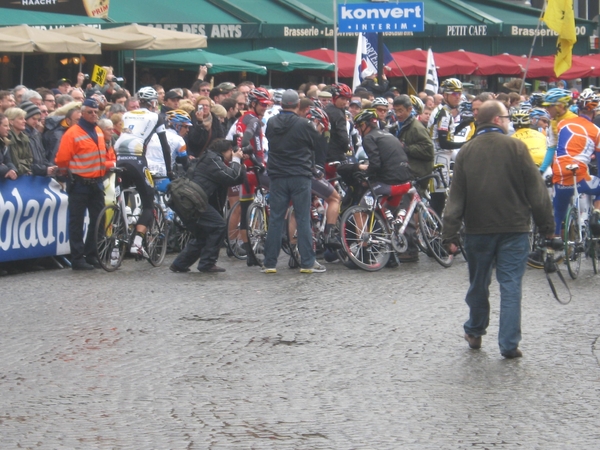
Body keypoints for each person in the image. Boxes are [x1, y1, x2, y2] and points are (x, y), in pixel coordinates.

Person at [442, 100, 555, 359]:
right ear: (496, 120)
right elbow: (537, 191)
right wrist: (548, 228)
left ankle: (475, 330)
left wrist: (449, 234)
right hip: (515, 228)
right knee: (511, 285)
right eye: (506, 117)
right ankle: (509, 344)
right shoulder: (517, 147)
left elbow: (455, 198)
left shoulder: (466, 151)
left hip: (477, 230)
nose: (509, 121)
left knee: (479, 284)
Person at [261, 90, 326, 274]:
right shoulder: (304, 124)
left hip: (278, 176)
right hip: (299, 175)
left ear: (282, 104)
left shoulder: (272, 123)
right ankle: (307, 262)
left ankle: (270, 263)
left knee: (275, 219)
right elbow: (315, 144)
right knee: (303, 218)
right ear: (297, 105)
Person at [55, 98, 115, 270]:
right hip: (80, 183)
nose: (94, 114)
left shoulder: (98, 131)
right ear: (82, 113)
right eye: (90, 112)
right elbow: (61, 159)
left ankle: (92, 254)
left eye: (96, 112)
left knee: (99, 219)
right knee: (77, 221)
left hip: (96, 183)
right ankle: (77, 258)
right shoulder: (72, 133)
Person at [114, 86, 173, 258]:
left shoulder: (126, 114)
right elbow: (165, 146)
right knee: (148, 202)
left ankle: (116, 247)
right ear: (154, 102)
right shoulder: (157, 117)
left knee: (122, 201)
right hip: (137, 159)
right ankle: (137, 243)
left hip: (119, 157)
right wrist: (169, 171)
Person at [169, 138, 244, 273]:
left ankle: (180, 264)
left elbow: (234, 178)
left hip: (187, 200)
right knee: (218, 225)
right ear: (225, 151)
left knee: (203, 234)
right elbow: (231, 177)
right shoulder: (213, 161)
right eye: (230, 151)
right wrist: (236, 160)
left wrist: (237, 162)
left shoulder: (208, 157)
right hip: (193, 201)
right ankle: (207, 263)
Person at [393, 94, 435, 262]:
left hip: (417, 173)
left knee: (406, 208)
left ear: (410, 110)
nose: (398, 114)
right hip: (409, 170)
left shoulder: (416, 127)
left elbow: (428, 150)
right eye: (395, 111)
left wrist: (406, 148)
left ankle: (410, 249)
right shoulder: (404, 125)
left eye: (401, 111)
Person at [235, 87, 272, 266]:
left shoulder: (241, 119)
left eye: (267, 105)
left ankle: (249, 253)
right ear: (254, 103)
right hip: (256, 171)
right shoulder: (253, 120)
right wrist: (246, 145)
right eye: (263, 105)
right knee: (283, 193)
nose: (265, 108)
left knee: (244, 214)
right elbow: (249, 134)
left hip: (245, 172)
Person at [427, 78, 466, 216]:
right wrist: (467, 143)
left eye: (460, 93)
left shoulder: (443, 111)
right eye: (454, 94)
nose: (458, 97)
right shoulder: (443, 113)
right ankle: (434, 232)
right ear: (445, 95)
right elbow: (444, 142)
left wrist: (464, 123)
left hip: (442, 156)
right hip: (439, 157)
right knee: (438, 197)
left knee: (440, 195)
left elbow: (448, 134)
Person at [0, 113, 17, 180]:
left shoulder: (5, 142)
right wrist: (6, 170)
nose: (9, 129)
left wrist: (13, 170)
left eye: (9, 126)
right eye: (5, 126)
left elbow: (8, 161)